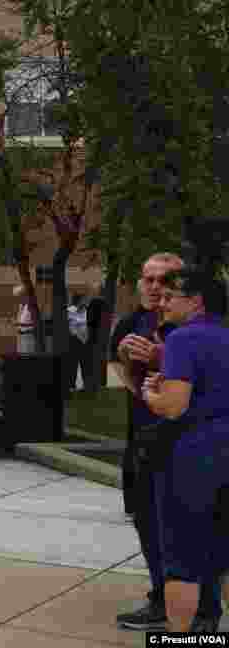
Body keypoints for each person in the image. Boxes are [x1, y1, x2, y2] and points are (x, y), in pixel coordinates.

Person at [111, 253, 222, 631]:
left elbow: (180, 399)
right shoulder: (132, 324)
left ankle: (201, 616)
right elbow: (132, 384)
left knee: (192, 539)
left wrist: (163, 363)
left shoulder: (187, 332)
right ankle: (164, 602)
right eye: (149, 279)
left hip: (187, 445)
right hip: (150, 439)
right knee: (149, 522)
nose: (158, 289)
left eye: (167, 282)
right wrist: (131, 365)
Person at [141, 268, 229, 633]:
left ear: (196, 302)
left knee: (182, 561)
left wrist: (151, 394)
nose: (162, 302)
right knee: (224, 557)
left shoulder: (182, 338)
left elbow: (174, 406)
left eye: (170, 296)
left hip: (193, 459)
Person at [66, 292, 91, 392]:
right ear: (79, 300)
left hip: (85, 341)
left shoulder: (87, 311)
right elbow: (69, 324)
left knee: (85, 364)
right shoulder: (70, 311)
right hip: (74, 340)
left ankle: (86, 385)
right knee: (72, 364)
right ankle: (71, 385)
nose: (86, 302)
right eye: (84, 300)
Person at [13, 285, 36, 353]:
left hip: (28, 335)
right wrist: (17, 323)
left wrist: (20, 324)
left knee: (27, 354)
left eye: (19, 297)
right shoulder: (21, 306)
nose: (18, 299)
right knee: (20, 354)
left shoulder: (31, 306)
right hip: (20, 335)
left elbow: (36, 323)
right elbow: (20, 320)